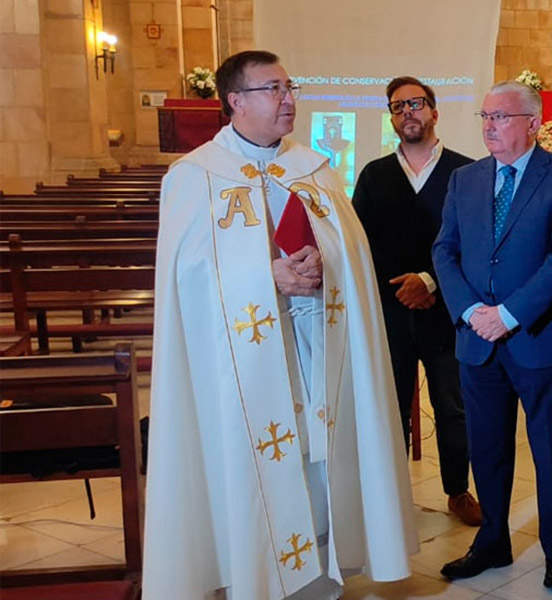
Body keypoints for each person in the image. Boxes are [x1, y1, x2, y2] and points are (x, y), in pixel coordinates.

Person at [145, 50, 418, 600]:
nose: (289, 99)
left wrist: (324, 267)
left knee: (314, 461)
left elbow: (352, 255)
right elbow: (184, 277)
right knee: (255, 463)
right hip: (242, 362)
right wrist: (266, 275)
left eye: (290, 87)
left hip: (314, 342)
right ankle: (251, 576)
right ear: (235, 101)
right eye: (274, 89)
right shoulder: (193, 175)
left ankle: (319, 578)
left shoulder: (313, 169)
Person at [432, 80, 552, 593]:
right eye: (484, 117)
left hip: (538, 337)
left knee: (548, 449)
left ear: (531, 122)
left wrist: (511, 314)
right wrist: (473, 310)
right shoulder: (464, 179)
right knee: (488, 447)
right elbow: (445, 251)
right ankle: (493, 541)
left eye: (499, 117)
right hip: (477, 338)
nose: (488, 126)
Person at [352, 76, 481, 527]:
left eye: (416, 103)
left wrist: (429, 282)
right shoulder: (373, 175)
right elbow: (360, 244)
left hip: (448, 311)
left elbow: (476, 244)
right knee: (389, 404)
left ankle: (458, 490)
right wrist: (402, 288)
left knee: (453, 405)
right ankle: (390, 496)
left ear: (434, 111)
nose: (407, 112)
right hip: (390, 311)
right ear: (391, 117)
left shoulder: (467, 174)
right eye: (398, 106)